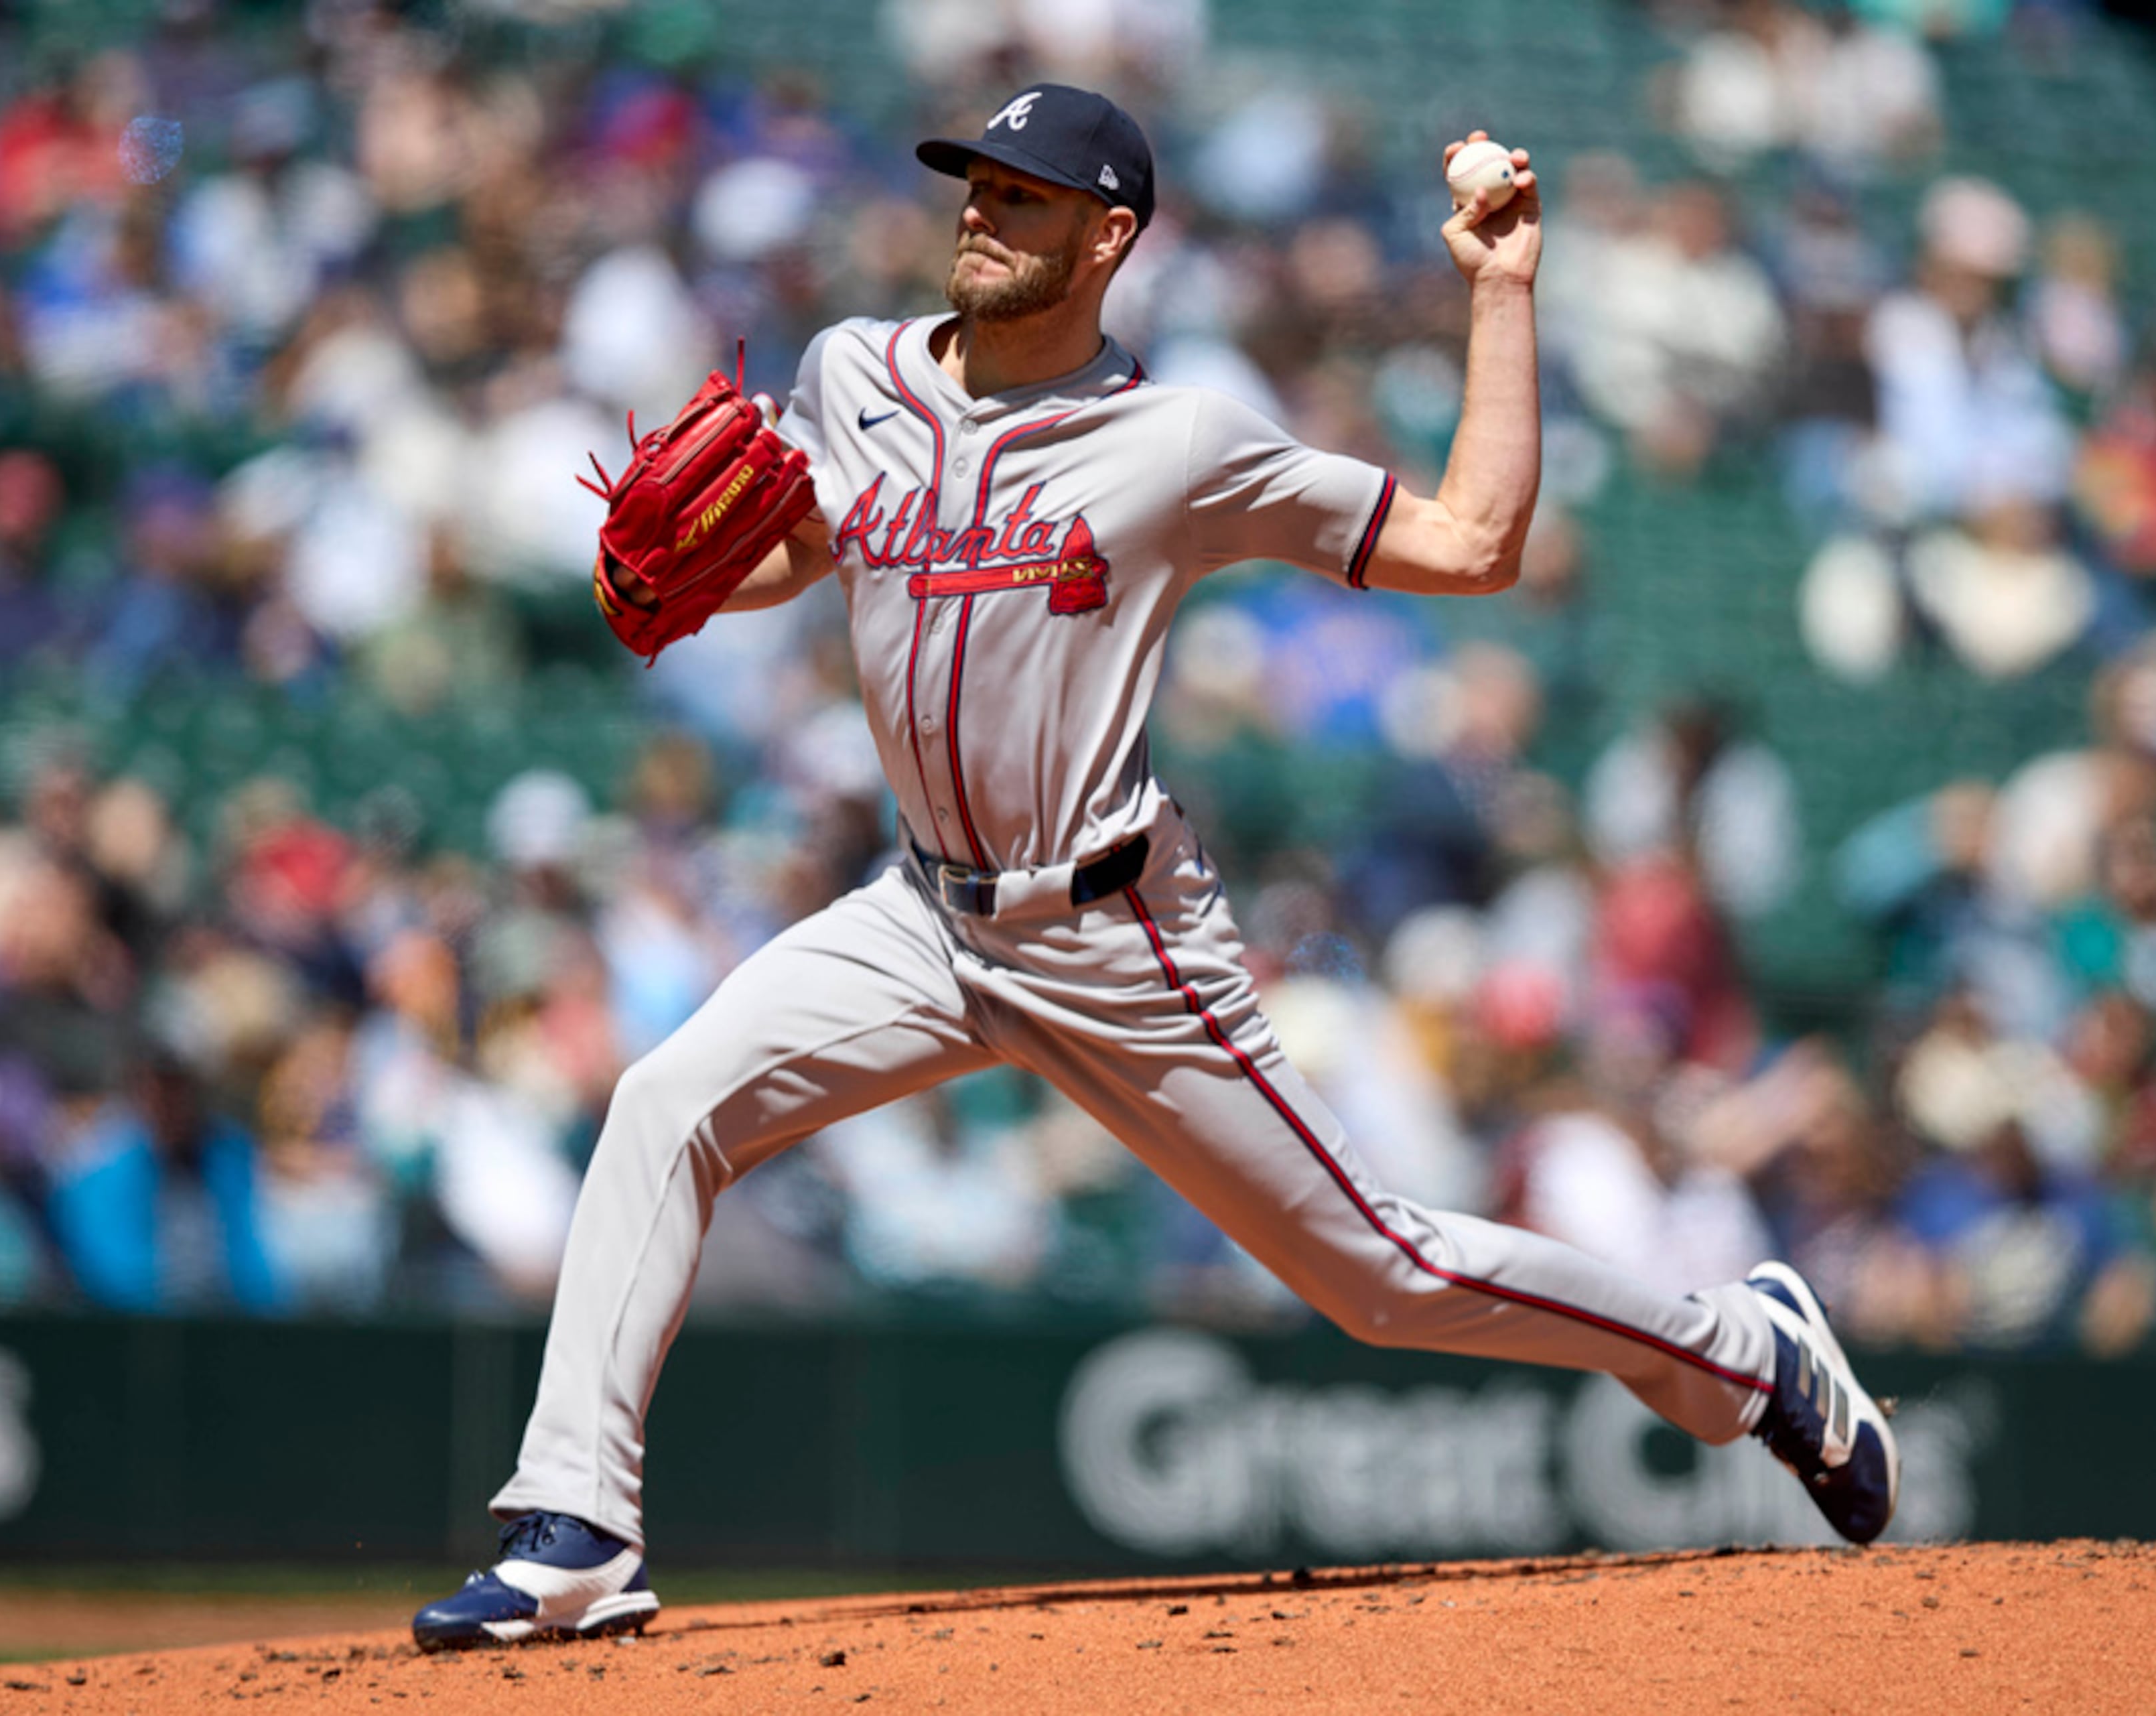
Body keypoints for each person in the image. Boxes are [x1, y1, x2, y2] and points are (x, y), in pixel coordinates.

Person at [410, 85, 1898, 1652]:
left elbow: (1475, 545)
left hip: (1113, 931)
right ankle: (575, 1529)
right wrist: (706, 579)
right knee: (666, 1103)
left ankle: (1747, 1354)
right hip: (921, 917)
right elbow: (807, 545)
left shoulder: (1177, 442)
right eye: (976, 182)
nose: (982, 209)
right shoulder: (852, 372)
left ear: (1108, 235)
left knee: (1382, 1275)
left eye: (1025, 194)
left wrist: (1503, 290)